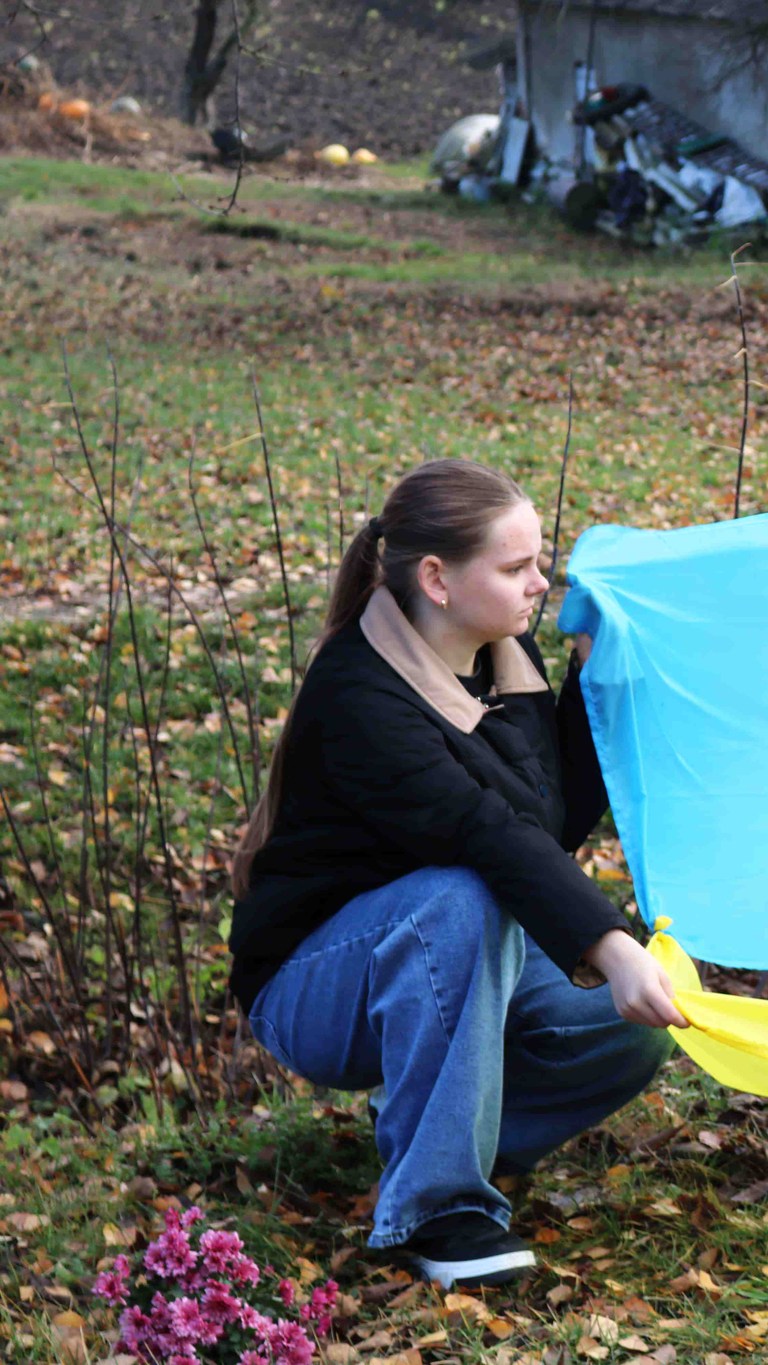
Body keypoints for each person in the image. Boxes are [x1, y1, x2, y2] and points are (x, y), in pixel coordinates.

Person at [228, 459, 686, 1289]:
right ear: (437, 579)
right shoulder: (361, 696)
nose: (539, 583)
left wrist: (590, 683)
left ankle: (432, 1128)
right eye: (516, 568)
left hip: (452, 950)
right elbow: (485, 834)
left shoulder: (500, 653)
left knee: (626, 1028)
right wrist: (612, 944)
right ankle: (436, 1208)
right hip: (312, 984)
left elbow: (542, 823)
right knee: (463, 896)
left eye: (539, 561)